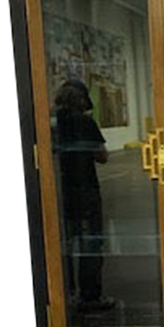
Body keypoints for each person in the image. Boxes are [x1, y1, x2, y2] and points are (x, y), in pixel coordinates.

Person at [53, 79, 114, 312]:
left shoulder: (52, 123)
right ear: (81, 99)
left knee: (63, 244)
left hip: (60, 191)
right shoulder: (85, 121)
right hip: (86, 190)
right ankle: (90, 297)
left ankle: (66, 295)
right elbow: (102, 156)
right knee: (91, 244)